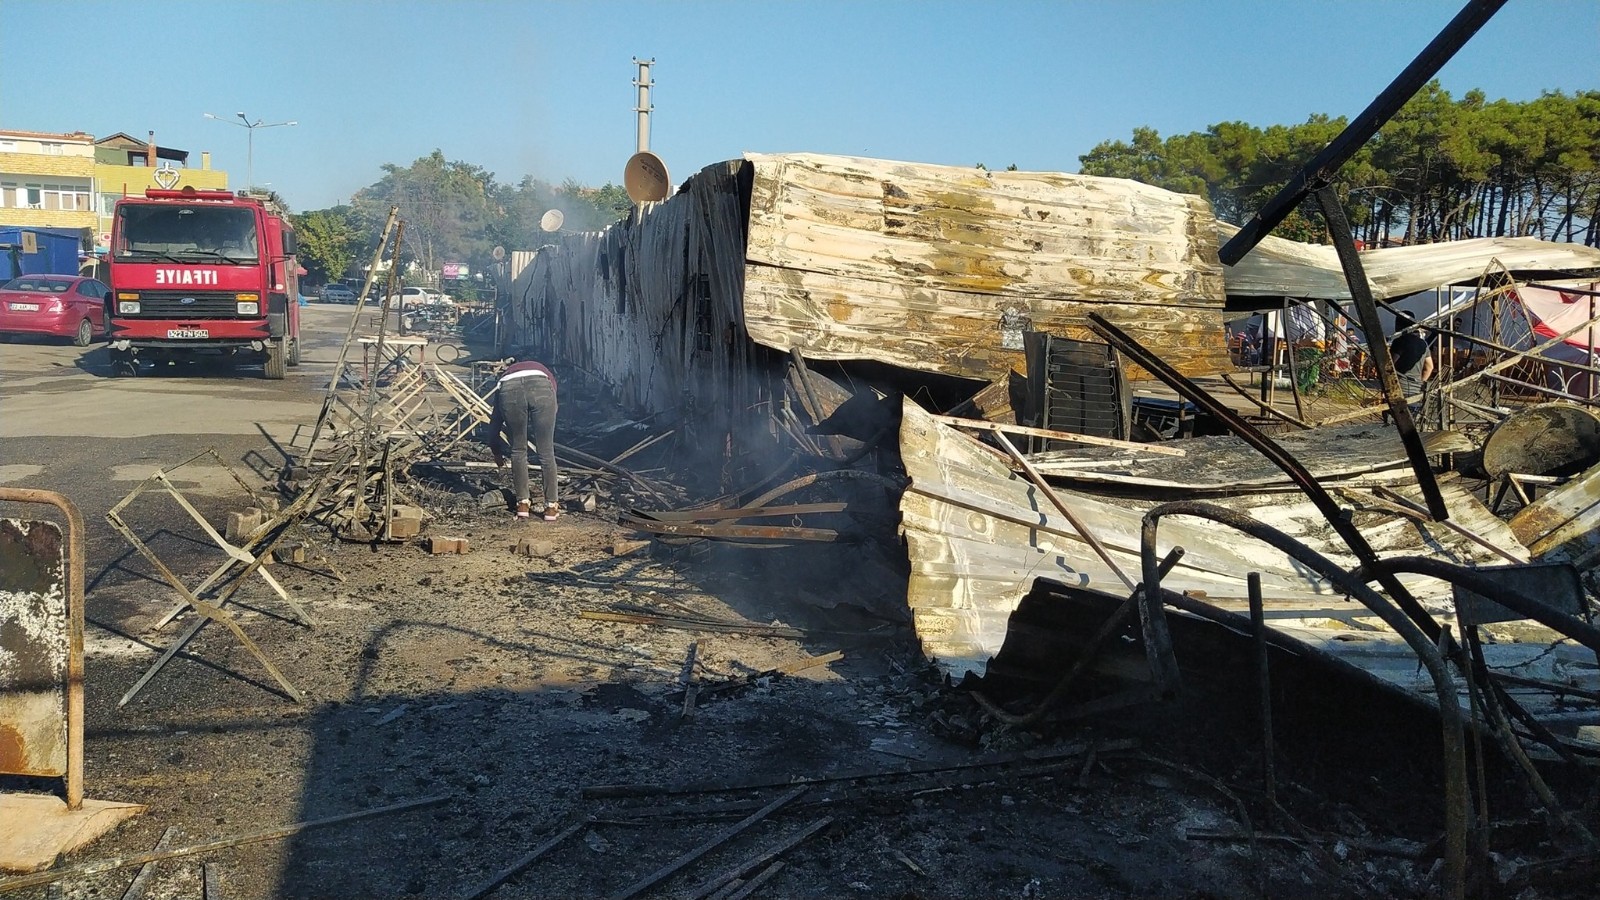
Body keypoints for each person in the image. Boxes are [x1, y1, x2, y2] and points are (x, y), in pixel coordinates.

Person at [489, 350, 560, 520]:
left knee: (518, 450)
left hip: (509, 391)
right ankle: (551, 507)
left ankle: (522, 505)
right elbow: (553, 400)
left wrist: (496, 451)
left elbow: (495, 422)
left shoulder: (505, 377)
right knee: (546, 451)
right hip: (541, 390)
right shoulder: (544, 372)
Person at [1388, 311, 1435, 409]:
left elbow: (1390, 365)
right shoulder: (1423, 344)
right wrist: (1421, 382)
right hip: (1416, 390)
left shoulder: (1400, 341)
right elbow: (1430, 367)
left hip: (1400, 389)